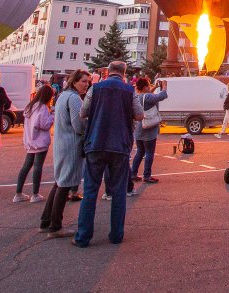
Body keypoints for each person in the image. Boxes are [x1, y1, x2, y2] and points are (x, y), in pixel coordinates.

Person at [74, 60, 145, 247]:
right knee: (119, 191)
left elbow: (82, 113)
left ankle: (83, 237)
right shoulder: (129, 91)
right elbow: (139, 115)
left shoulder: (95, 89)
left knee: (90, 191)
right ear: (124, 73)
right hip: (119, 145)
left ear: (107, 72)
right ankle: (116, 235)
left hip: (96, 143)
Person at [40, 69, 90, 238]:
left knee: (59, 182)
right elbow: (79, 124)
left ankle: (45, 221)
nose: (86, 84)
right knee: (64, 185)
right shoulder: (74, 98)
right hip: (71, 145)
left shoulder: (62, 96)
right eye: (83, 81)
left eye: (88, 81)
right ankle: (55, 226)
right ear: (74, 81)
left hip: (61, 143)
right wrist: (88, 128)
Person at [14, 84, 55, 203]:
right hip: (40, 141)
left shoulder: (31, 106)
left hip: (30, 141)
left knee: (26, 166)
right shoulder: (42, 108)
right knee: (38, 166)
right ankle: (35, 194)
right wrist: (52, 116)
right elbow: (44, 125)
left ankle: (18, 193)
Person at [129, 76, 167, 187]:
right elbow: (162, 96)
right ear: (145, 87)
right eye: (149, 85)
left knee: (140, 151)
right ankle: (147, 175)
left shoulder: (136, 96)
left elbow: (147, 95)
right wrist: (164, 86)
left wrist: (154, 86)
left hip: (139, 128)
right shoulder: (148, 97)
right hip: (149, 129)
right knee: (149, 152)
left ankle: (133, 173)